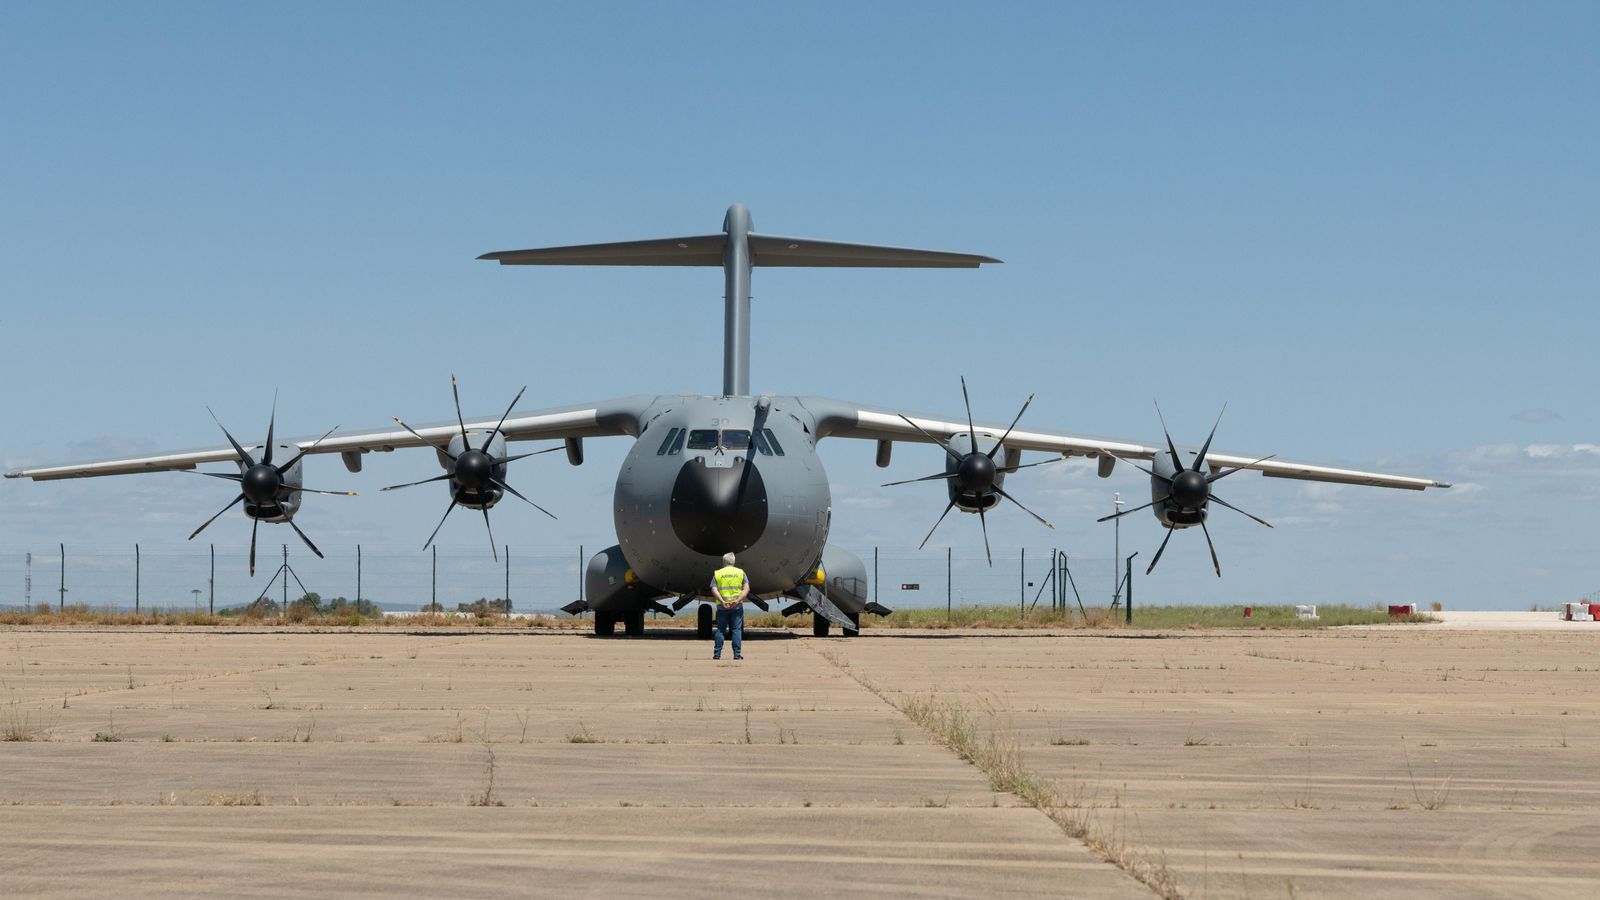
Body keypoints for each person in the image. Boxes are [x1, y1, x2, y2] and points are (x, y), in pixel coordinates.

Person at [710, 552, 750, 660]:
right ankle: (737, 654)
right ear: (733, 561)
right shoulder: (740, 573)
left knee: (720, 630)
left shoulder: (718, 573)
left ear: (724, 561)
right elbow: (746, 589)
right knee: (736, 630)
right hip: (736, 607)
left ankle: (717, 654)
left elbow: (714, 589)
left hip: (722, 607)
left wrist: (722, 601)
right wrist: (737, 600)